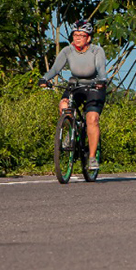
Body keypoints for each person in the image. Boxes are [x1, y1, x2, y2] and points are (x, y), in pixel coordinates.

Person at [39, 19, 108, 170]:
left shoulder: (97, 51)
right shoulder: (67, 51)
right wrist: (45, 78)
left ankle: (91, 158)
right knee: (64, 104)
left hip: (94, 86)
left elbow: (101, 68)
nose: (77, 38)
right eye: (75, 35)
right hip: (75, 85)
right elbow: (55, 68)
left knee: (92, 119)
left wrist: (102, 80)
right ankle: (69, 132)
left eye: (81, 35)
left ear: (88, 37)